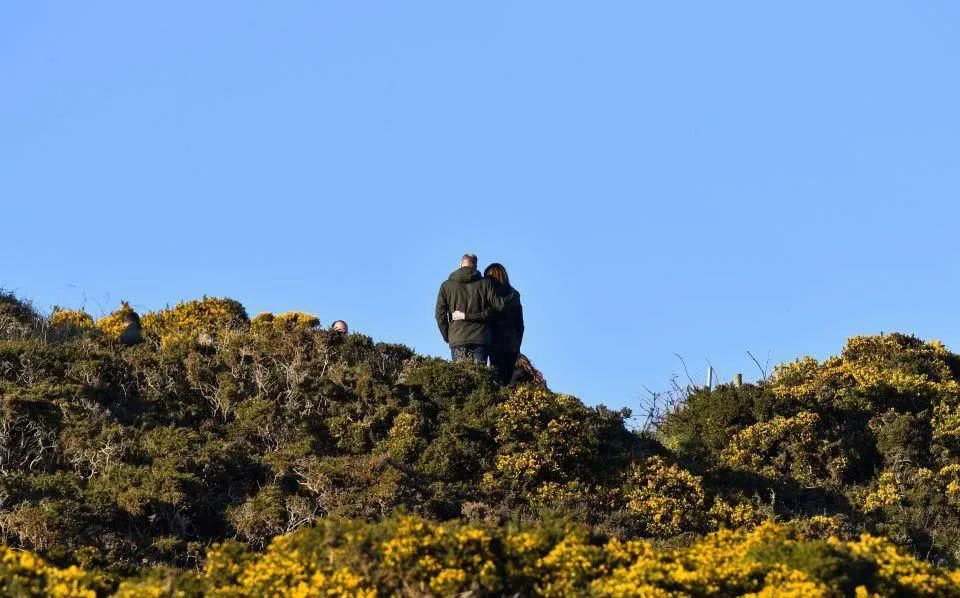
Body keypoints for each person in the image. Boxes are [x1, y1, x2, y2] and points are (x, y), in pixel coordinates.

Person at [435, 253, 518, 364]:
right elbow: (499, 305)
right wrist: (513, 295)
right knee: (479, 377)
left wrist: (447, 335)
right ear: (476, 266)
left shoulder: (446, 285)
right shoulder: (486, 283)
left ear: (461, 263)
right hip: (481, 338)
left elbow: (439, 315)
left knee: (461, 377)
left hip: (457, 337)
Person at [452, 263, 524, 385]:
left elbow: (485, 315)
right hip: (511, 343)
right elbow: (520, 325)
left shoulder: (490, 294)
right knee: (504, 381)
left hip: (492, 340)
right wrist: (517, 345)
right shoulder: (514, 295)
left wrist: (464, 316)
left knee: (489, 378)